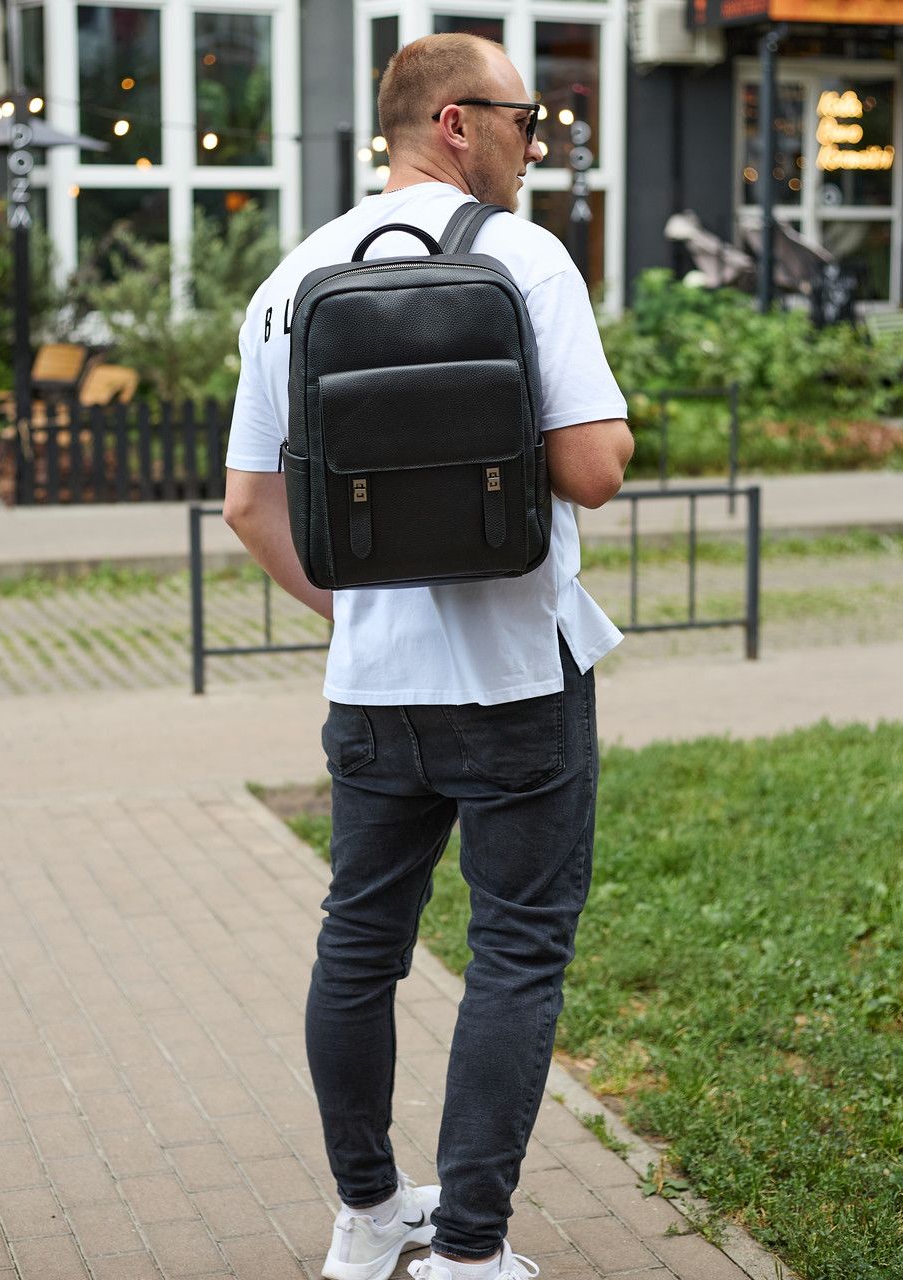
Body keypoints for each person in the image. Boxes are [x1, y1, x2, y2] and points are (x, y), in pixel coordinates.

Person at [224, 32, 633, 1280]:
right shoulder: (523, 257)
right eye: (523, 118)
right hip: (514, 679)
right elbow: (593, 469)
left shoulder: (290, 280)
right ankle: (468, 1250)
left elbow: (247, 504)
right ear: (455, 121)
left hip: (371, 693)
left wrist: (355, 616)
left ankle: (367, 1216)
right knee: (512, 952)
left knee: (358, 944)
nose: (534, 142)